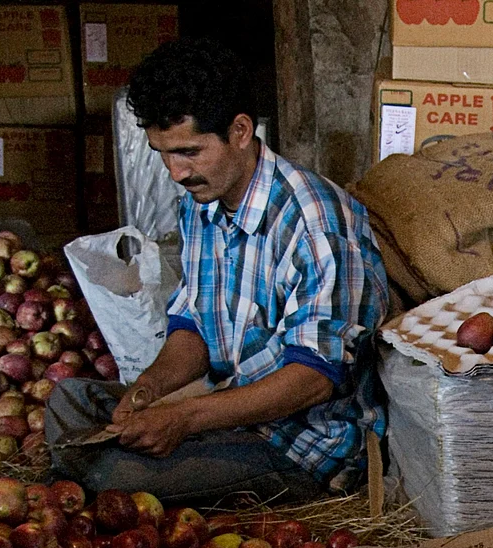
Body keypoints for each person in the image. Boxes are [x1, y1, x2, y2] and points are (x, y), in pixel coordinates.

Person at [46, 39, 389, 505]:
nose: (175, 173)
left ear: (241, 131)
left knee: (114, 481)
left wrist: (185, 417)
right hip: (229, 408)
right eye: (162, 153)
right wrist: (151, 387)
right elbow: (193, 327)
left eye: (188, 152)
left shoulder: (315, 225)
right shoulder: (203, 204)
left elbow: (312, 379)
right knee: (69, 401)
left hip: (298, 446)